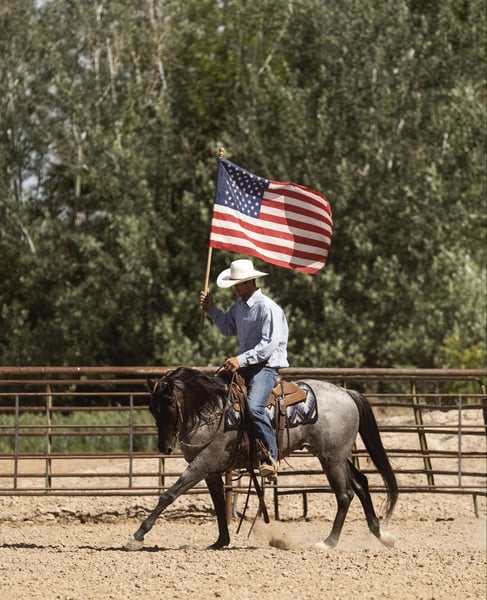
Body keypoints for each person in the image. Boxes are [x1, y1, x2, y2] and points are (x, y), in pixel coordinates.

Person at [199, 258, 289, 477]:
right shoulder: (239, 307)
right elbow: (228, 328)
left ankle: (271, 456)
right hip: (248, 365)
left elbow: (268, 346)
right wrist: (211, 309)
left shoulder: (267, 308)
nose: (235, 288)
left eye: (238, 284)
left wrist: (240, 360)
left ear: (250, 282)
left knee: (254, 406)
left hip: (265, 367)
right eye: (234, 284)